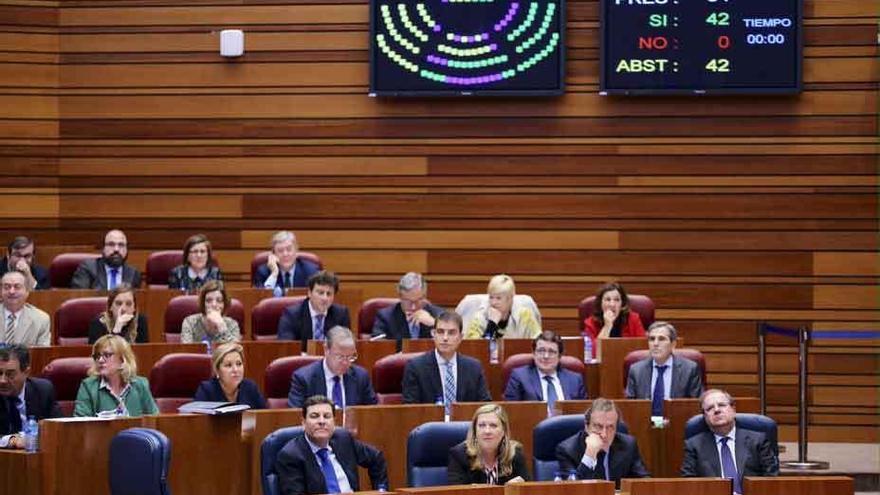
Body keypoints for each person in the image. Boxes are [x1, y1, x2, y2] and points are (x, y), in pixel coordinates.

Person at [275, 395, 388, 495]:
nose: (322, 421)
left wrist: (380, 490)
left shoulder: (343, 440)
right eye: (315, 416)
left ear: (334, 422)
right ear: (303, 423)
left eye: (327, 416)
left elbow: (376, 458)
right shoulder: (291, 455)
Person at [681, 389, 778, 494]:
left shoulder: (758, 441)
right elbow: (689, 483)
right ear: (705, 416)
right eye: (710, 408)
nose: (717, 410)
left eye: (722, 405)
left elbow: (771, 480)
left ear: (733, 409)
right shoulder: (694, 446)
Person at [402, 311, 491, 408]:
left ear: (460, 337)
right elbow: (410, 409)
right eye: (440, 332)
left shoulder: (474, 368)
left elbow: (484, 406)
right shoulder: (416, 367)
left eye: (451, 333)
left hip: (464, 422)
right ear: (433, 334)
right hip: (430, 422)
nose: (445, 338)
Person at [556, 398, 649, 487]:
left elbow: (644, 483)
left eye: (610, 427)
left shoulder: (628, 445)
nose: (604, 434)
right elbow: (572, 490)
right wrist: (589, 455)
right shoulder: (567, 450)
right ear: (586, 426)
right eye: (598, 426)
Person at [288, 326, 377, 408]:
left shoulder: (361, 377)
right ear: (326, 350)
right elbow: (296, 417)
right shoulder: (304, 379)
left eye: (350, 357)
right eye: (340, 357)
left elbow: (371, 413)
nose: (346, 362)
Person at [625, 321, 702, 416]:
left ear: (673, 344)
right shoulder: (636, 370)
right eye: (652, 339)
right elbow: (630, 407)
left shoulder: (689, 369)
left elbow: (695, 407)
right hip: (644, 425)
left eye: (661, 339)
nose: (655, 343)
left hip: (677, 423)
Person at [74, 334, 159, 417]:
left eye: (107, 355)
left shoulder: (140, 385)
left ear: (122, 359)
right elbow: (81, 426)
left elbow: (155, 421)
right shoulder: (88, 387)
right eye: (97, 356)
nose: (100, 360)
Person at [448, 403, 530, 485]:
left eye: (493, 426)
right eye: (482, 425)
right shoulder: (460, 455)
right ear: (475, 430)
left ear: (504, 431)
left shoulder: (514, 454)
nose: (487, 431)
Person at [0, 345, 61, 449]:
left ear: (26, 372)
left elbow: (59, 429)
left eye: (10, 374)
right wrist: (11, 440)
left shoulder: (43, 391)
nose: (2, 380)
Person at [503, 330, 587, 404]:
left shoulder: (575, 380)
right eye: (541, 351)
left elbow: (583, 412)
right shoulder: (519, 377)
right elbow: (511, 411)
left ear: (560, 356)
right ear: (534, 353)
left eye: (552, 352)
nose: (546, 356)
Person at [371, 272, 445, 349]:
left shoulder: (438, 315)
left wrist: (433, 323)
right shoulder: (385, 317)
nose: (413, 307)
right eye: (408, 301)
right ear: (400, 297)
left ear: (424, 297)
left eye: (418, 301)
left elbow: (451, 341)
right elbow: (377, 346)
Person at [458, 274, 542, 340]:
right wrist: (492, 325)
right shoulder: (480, 317)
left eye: (498, 298)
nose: (493, 302)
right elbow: (475, 349)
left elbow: (538, 342)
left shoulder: (525, 315)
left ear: (510, 299)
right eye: (491, 297)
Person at [277, 271, 350, 346]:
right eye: (320, 293)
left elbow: (345, 348)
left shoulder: (341, 315)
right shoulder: (292, 315)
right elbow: (287, 348)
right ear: (309, 293)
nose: (325, 298)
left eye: (329, 294)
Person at [583, 282, 646, 359]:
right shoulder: (590, 323)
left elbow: (643, 350)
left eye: (616, 300)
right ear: (600, 303)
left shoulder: (633, 319)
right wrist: (607, 326)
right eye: (607, 300)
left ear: (622, 304)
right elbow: (593, 354)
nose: (612, 304)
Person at [194, 342, 266, 409]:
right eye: (228, 365)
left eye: (239, 364)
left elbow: (264, 417)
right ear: (217, 370)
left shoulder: (250, 388)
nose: (235, 370)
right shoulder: (206, 390)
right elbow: (198, 420)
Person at [71, 229, 142, 290]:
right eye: (111, 244)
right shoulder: (88, 268)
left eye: (121, 245)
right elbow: (80, 298)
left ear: (127, 249)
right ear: (103, 248)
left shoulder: (133, 274)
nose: (116, 249)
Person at [254, 231, 320, 290]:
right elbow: (260, 298)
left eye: (289, 249)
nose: (285, 254)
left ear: (296, 251)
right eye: (280, 250)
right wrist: (274, 274)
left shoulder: (310, 271)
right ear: (274, 254)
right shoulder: (263, 272)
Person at [180, 280, 241, 345]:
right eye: (209, 300)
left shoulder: (232, 325)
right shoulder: (190, 322)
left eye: (219, 301)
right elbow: (186, 350)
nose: (214, 305)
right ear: (203, 303)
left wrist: (221, 326)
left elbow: (234, 351)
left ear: (224, 304)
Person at [1, 270, 51, 346]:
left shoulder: (41, 319)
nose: (11, 291)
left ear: (27, 291)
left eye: (17, 287)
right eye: (7, 287)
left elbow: (41, 354)